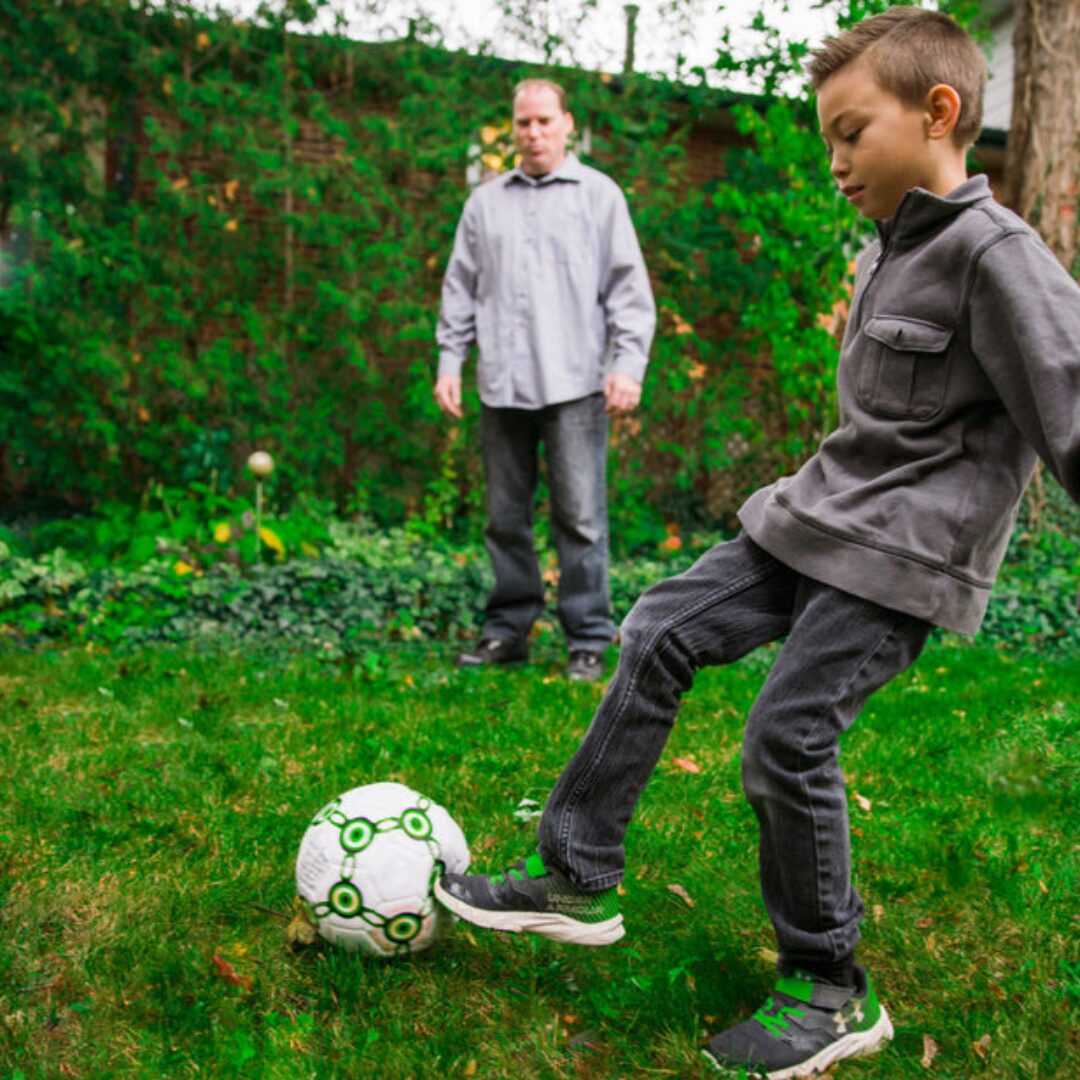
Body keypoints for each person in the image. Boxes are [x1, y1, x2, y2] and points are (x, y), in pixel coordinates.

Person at [435, 7, 1080, 1076]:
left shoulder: (994, 254)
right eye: (826, 137)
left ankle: (828, 984)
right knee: (660, 627)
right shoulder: (887, 249)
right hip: (817, 516)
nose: (833, 160)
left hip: (901, 554)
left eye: (850, 131)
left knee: (786, 733)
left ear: (939, 112)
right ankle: (576, 870)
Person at [434, 78, 656, 683]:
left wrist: (627, 366)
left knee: (580, 519)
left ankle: (587, 638)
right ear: (513, 130)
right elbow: (460, 289)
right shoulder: (484, 203)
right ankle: (507, 632)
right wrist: (449, 362)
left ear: (566, 125)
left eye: (543, 121)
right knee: (504, 518)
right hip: (501, 386)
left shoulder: (600, 197)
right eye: (522, 123)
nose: (532, 133)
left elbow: (629, 293)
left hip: (575, 384)